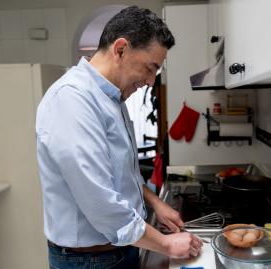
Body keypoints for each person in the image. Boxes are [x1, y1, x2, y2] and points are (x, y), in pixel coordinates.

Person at [35, 5, 202, 269]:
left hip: (119, 249)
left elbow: (122, 173)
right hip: (90, 260)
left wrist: (156, 203)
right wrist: (167, 243)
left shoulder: (113, 98)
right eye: (150, 68)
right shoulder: (72, 99)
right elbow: (100, 203)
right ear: (120, 49)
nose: (150, 81)